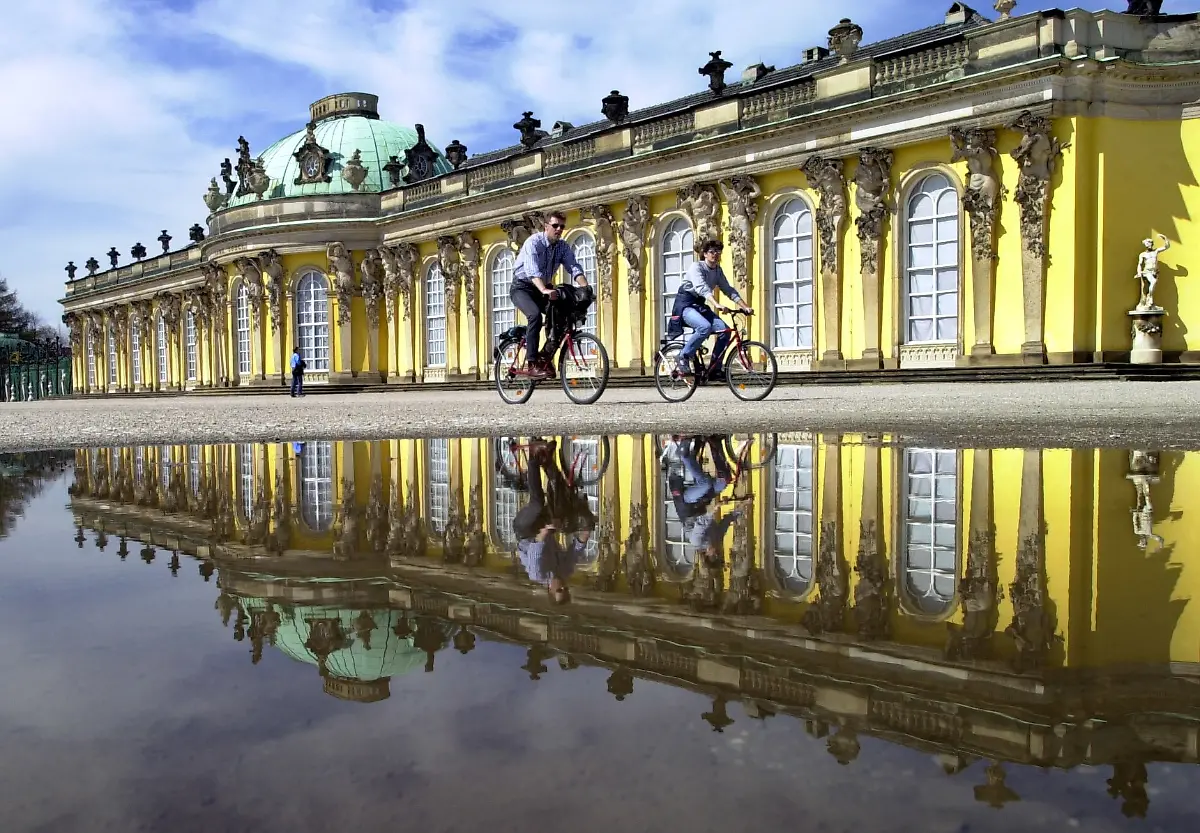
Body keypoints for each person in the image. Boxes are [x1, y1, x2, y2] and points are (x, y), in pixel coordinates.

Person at [510, 211, 590, 380]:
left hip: (542, 287)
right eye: (555, 226)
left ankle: (545, 357)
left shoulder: (562, 247)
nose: (559, 229)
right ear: (546, 226)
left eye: (562, 226)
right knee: (535, 316)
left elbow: (573, 267)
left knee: (561, 315)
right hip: (522, 288)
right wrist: (545, 290)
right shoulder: (534, 243)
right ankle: (532, 364)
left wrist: (586, 287)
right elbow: (532, 271)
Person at [671, 240, 753, 377]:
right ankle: (683, 356)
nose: (715, 254)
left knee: (725, 331)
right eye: (712, 252)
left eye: (718, 252)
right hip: (685, 304)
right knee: (704, 327)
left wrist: (745, 307)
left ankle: (715, 368)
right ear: (705, 254)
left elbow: (728, 290)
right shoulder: (696, 267)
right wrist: (716, 304)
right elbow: (701, 287)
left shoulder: (717, 271)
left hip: (700, 306)